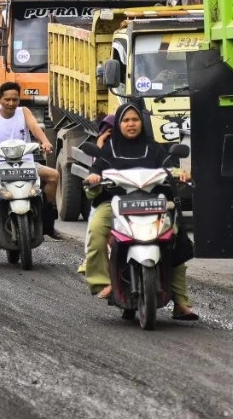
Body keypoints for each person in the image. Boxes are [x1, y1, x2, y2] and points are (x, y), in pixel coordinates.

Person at [82, 102, 199, 320]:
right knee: (97, 230)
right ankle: (101, 282)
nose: (131, 124)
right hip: (115, 203)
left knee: (175, 240)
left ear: (142, 123)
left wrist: (180, 174)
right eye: (126, 120)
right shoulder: (110, 149)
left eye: (135, 120)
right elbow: (96, 170)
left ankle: (181, 302)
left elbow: (169, 167)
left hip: (153, 203)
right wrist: (94, 177)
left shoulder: (154, 148)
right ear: (119, 124)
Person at [0, 81, 63, 243]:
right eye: (7, 99)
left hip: (25, 162)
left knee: (53, 176)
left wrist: (44, 141)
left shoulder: (24, 112)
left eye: (15, 99)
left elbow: (35, 128)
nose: (11, 103)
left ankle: (47, 219)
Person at [78, 114, 116, 276]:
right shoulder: (104, 154)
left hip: (136, 199)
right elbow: (96, 169)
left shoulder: (145, 148)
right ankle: (92, 260)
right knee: (96, 224)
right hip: (108, 198)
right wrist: (101, 146)